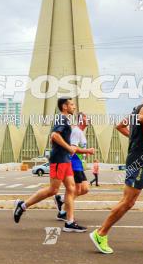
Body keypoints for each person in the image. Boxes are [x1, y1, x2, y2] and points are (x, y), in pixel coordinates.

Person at [90, 79, 143, 254]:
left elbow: (120, 126)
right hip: (139, 162)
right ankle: (100, 233)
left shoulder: (138, 110)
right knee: (128, 202)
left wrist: (133, 138)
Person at [12, 97, 89, 232]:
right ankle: (22, 205)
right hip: (59, 159)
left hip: (65, 159)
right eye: (71, 104)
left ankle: (70, 222)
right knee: (52, 190)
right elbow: (54, 136)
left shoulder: (66, 120)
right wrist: (69, 147)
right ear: (64, 106)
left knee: (71, 189)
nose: (74, 107)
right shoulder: (61, 118)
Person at [54, 113, 95, 221]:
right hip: (73, 163)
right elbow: (73, 149)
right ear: (81, 120)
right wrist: (88, 151)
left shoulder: (80, 132)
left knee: (85, 189)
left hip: (78, 164)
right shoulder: (76, 131)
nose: (89, 118)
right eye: (86, 117)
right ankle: (64, 212)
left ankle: (62, 200)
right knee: (75, 189)